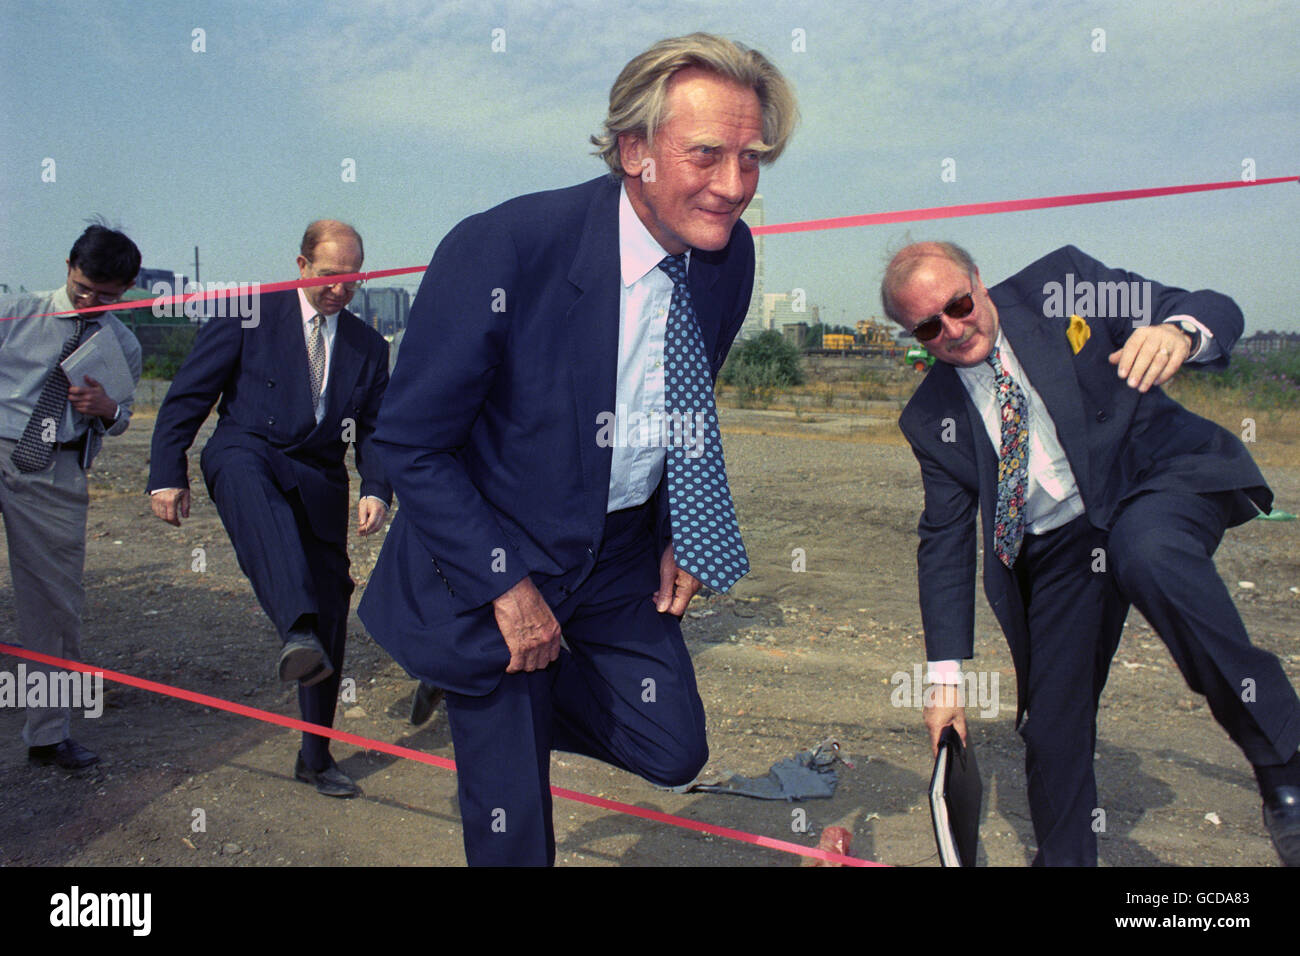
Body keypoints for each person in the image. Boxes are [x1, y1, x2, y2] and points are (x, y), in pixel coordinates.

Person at [359, 33, 797, 865]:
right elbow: (411, 445)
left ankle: (471, 690)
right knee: (516, 833)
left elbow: (683, 401)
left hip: (618, 555)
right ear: (634, 149)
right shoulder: (504, 248)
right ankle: (481, 686)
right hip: (500, 553)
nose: (735, 187)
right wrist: (505, 587)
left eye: (752, 159)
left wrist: (680, 522)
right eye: (706, 155)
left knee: (674, 749)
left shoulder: (725, 258)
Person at [885, 240, 1300, 866]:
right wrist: (944, 682)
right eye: (927, 325)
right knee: (1051, 728)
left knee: (1147, 551)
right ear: (911, 333)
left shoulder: (1064, 285)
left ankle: (1283, 761)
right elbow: (943, 541)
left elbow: (1209, 305)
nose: (952, 328)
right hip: (1059, 548)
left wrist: (1178, 334)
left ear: (980, 282)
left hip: (1148, 482)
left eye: (959, 304)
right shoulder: (928, 418)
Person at [148, 220, 391, 798]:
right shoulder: (247, 312)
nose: (341, 289)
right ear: (301, 265)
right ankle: (295, 625)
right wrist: (165, 474)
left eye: (353, 279)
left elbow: (376, 432)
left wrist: (376, 488)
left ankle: (315, 753)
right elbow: (188, 395)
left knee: (331, 603)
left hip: (319, 475)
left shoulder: (368, 345)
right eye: (330, 276)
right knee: (251, 487)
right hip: (246, 448)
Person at [0, 223, 143, 769]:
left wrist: (106, 409)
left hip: (55, 469)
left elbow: (125, 417)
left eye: (108, 296)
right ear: (67, 266)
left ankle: (47, 734)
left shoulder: (122, 343)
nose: (92, 302)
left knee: (54, 606)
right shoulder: (14, 313)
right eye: (84, 289)